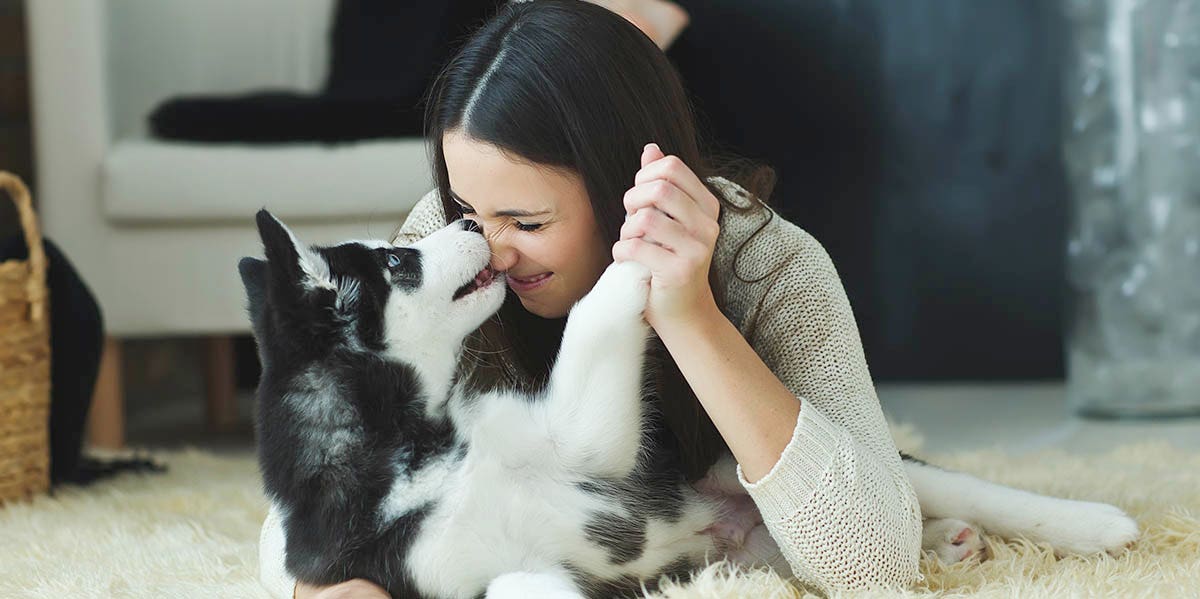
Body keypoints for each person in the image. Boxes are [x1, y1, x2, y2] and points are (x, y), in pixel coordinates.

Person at [261, 2, 922, 597]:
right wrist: (333, 586)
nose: (489, 249)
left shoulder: (767, 262)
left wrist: (690, 315)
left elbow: (877, 563)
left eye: (527, 223)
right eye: (466, 207)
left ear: (621, 191)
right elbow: (308, 502)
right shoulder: (446, 245)